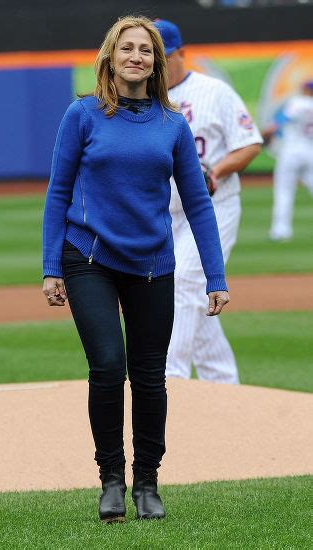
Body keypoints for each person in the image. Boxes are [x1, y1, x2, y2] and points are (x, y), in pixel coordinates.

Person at [42, 15, 229, 523]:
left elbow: (197, 203)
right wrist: (50, 266)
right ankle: (111, 479)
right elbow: (58, 192)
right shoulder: (82, 114)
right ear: (110, 55)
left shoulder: (172, 124)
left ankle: (147, 480)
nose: (136, 57)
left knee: (149, 378)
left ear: (157, 62)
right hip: (88, 259)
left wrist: (215, 275)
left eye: (145, 50)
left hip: (152, 263)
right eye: (127, 48)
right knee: (107, 366)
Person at [154, 19, 262, 384]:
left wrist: (216, 170)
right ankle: (223, 383)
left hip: (214, 206)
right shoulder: (141, 98)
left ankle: (170, 378)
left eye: (163, 55)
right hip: (164, 213)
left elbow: (249, 142)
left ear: (181, 53)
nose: (157, 63)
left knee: (182, 279)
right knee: (194, 300)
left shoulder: (214, 91)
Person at [262, 80, 313, 241]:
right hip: (309, 150)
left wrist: (266, 135)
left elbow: (279, 122)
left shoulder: (297, 102)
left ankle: (281, 231)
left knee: (284, 190)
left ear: (304, 89)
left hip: (292, 150)